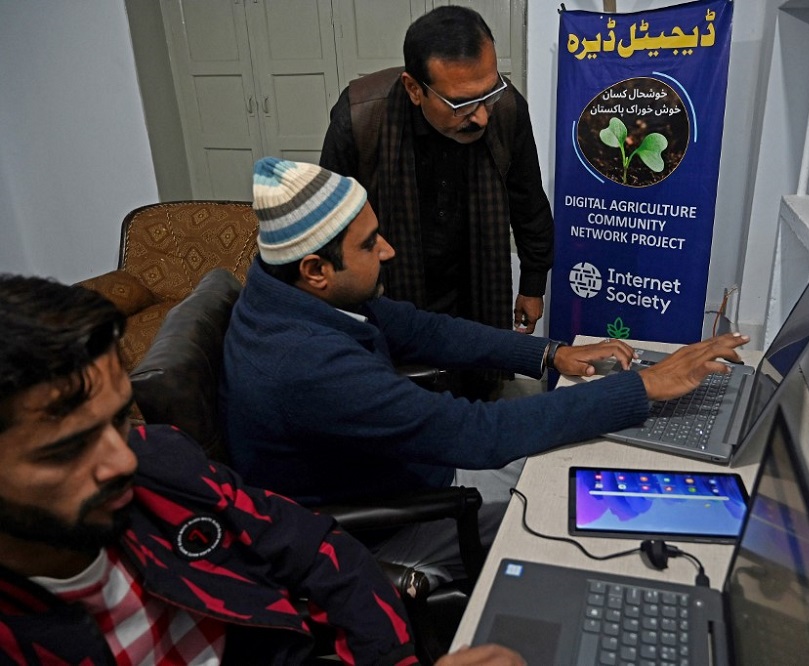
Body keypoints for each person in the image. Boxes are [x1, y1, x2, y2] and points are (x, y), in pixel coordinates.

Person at [220, 157, 749, 585]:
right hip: (381, 524)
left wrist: (550, 354)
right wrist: (642, 386)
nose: (388, 250)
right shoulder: (304, 364)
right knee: (582, 507)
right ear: (315, 271)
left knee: (580, 462)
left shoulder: (284, 289)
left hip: (406, 471)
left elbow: (426, 331)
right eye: (367, 244)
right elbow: (476, 435)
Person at [0, 273, 524, 666]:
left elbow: (322, 549)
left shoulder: (162, 466)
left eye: (119, 420)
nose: (122, 459)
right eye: (67, 449)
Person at [319, 7, 552, 391]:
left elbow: (528, 202)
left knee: (479, 390)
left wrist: (532, 283)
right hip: (391, 289)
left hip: (476, 281)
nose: (480, 117)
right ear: (414, 89)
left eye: (489, 93)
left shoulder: (507, 109)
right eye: (461, 103)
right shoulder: (362, 118)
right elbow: (332, 228)